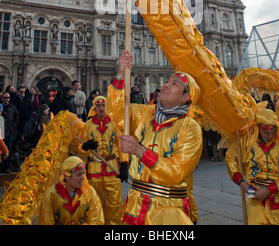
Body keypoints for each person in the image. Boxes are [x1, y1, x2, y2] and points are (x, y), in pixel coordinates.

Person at [108, 50, 203, 225]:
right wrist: (120, 75)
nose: (165, 85)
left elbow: (176, 172)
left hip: (169, 209)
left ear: (186, 97)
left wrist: (139, 150)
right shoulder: (144, 113)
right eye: (167, 81)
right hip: (135, 206)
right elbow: (116, 113)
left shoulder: (191, 128)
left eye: (174, 84)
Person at [225, 108, 279, 225]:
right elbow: (230, 159)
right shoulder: (245, 140)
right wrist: (243, 184)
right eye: (266, 133)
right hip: (256, 195)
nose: (271, 136)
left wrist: (270, 190)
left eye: (274, 132)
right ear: (258, 128)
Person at [80, 95, 127, 225]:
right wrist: (85, 146)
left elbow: (121, 144)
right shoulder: (88, 125)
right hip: (94, 169)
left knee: (115, 203)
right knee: (96, 202)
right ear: (94, 108)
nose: (101, 108)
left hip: (111, 167)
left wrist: (124, 164)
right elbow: (80, 147)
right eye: (98, 106)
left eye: (103, 105)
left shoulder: (114, 123)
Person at [39, 156, 105, 225]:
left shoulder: (89, 192)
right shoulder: (50, 195)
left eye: (83, 173)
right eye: (79, 174)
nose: (83, 177)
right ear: (66, 175)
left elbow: (98, 220)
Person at [0, 91, 19, 173]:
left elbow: (16, 118)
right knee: (1, 150)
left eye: (8, 98)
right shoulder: (0, 107)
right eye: (4, 98)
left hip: (8, 132)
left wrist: (13, 126)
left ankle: (7, 167)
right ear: (1, 98)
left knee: (8, 150)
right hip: (1, 132)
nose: (6, 99)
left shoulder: (12, 107)